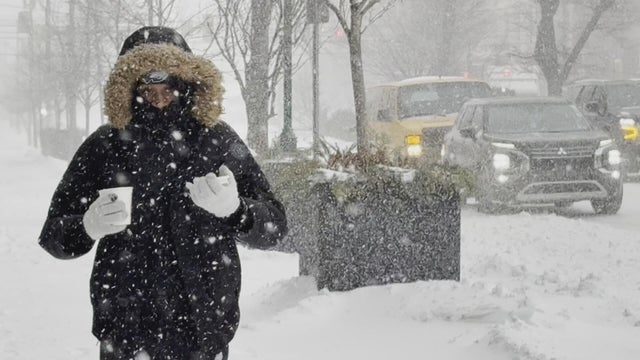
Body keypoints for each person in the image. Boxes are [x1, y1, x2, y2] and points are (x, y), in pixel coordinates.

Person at [38, 26, 287, 360]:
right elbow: (53, 235)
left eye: (168, 86)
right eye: (147, 86)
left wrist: (237, 210)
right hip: (126, 333)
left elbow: (276, 227)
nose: (158, 98)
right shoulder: (105, 145)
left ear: (185, 83)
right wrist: (86, 226)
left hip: (202, 333)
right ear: (128, 88)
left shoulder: (217, 141)